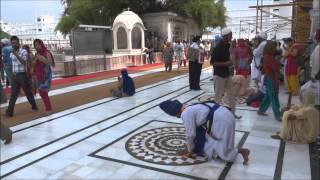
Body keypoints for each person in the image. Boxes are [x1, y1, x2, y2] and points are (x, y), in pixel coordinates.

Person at [159, 99, 250, 165]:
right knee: (217, 141)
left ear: (175, 113)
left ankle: (242, 151)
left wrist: (190, 150)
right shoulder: (189, 106)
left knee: (224, 152)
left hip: (222, 120)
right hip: (225, 115)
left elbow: (190, 134)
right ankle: (236, 151)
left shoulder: (185, 113)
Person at [5, 36, 38, 117]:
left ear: (18, 43)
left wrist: (16, 54)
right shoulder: (11, 52)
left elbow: (24, 62)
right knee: (13, 94)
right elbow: (13, 63)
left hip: (22, 75)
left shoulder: (23, 51)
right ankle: (9, 112)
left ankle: (34, 106)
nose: (13, 44)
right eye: (12, 43)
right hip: (15, 75)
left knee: (28, 92)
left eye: (15, 43)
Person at [211, 28, 237, 116]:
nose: (231, 37)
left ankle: (232, 113)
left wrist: (230, 64)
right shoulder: (217, 47)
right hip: (219, 75)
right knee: (218, 96)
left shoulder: (228, 46)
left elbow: (229, 58)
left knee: (231, 95)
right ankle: (213, 115)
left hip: (227, 74)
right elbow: (213, 62)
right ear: (225, 36)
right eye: (230, 35)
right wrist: (225, 63)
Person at [257, 40, 282, 121]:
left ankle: (261, 110)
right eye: (274, 47)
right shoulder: (267, 56)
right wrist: (277, 60)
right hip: (270, 77)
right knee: (273, 96)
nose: (276, 48)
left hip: (271, 77)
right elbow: (274, 67)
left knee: (268, 96)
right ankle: (278, 115)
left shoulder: (268, 56)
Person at [33, 39, 54, 115]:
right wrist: (35, 61)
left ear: (41, 44)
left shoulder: (46, 52)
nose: (37, 46)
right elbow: (34, 65)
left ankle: (49, 109)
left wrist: (41, 58)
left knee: (43, 91)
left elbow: (50, 63)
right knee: (42, 93)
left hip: (46, 75)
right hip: (39, 75)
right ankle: (48, 108)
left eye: (38, 44)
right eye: (35, 45)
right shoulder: (36, 54)